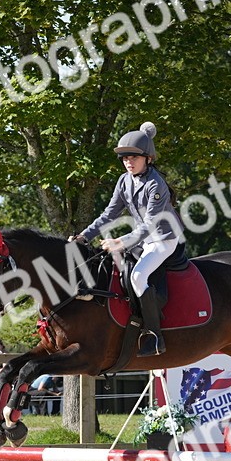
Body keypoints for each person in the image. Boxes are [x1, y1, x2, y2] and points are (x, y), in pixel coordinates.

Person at [69, 121, 183, 355]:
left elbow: (150, 225)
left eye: (133, 157)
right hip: (142, 238)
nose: (128, 162)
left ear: (148, 158)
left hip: (163, 238)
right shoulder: (124, 181)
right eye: (124, 158)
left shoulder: (156, 185)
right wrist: (83, 236)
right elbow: (108, 215)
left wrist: (120, 242)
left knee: (139, 277)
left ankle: (154, 336)